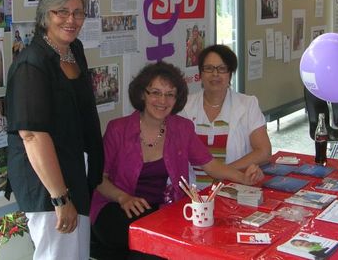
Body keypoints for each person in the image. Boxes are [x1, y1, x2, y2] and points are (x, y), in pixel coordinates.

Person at [90, 61, 264, 260]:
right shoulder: (117, 129)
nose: (162, 100)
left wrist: (244, 178)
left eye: (169, 94)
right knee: (147, 247)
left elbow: (211, 165)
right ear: (142, 94)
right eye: (155, 92)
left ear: (177, 99)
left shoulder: (182, 128)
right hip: (116, 206)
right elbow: (99, 178)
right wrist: (123, 198)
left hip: (161, 209)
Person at [5, 0, 104, 260]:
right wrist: (60, 198)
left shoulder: (74, 51)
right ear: (45, 16)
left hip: (74, 172)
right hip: (48, 184)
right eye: (62, 12)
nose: (71, 20)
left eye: (78, 13)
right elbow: (32, 136)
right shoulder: (31, 64)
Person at [181, 44, 272, 189]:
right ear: (200, 74)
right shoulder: (184, 107)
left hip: (234, 188)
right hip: (192, 194)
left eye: (222, 69)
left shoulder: (247, 104)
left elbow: (264, 152)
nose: (215, 74)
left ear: (230, 74)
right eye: (209, 68)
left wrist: (224, 172)